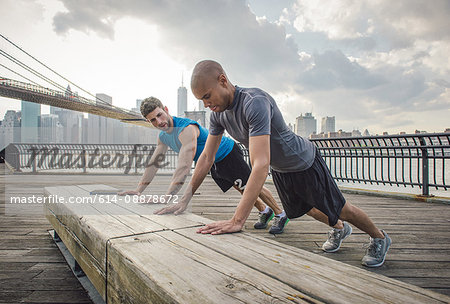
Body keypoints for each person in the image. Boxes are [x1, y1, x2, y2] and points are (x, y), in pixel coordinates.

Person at [158, 60, 392, 268]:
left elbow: (260, 163)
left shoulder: (254, 102)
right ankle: (341, 229)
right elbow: (206, 158)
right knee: (306, 209)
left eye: (207, 96)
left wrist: (237, 220)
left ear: (223, 80)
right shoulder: (218, 115)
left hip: (303, 161)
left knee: (340, 208)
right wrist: (184, 200)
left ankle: (379, 237)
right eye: (201, 100)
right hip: (283, 170)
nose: (206, 104)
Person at [119, 96, 289, 234]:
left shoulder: (186, 128)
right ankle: (264, 211)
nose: (159, 122)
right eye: (153, 120)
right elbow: (153, 164)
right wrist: (139, 190)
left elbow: (184, 166)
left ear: (166, 109)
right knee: (239, 186)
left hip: (227, 152)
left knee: (251, 185)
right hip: (213, 162)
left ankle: (280, 213)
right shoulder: (163, 137)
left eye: (159, 115)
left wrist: (169, 196)